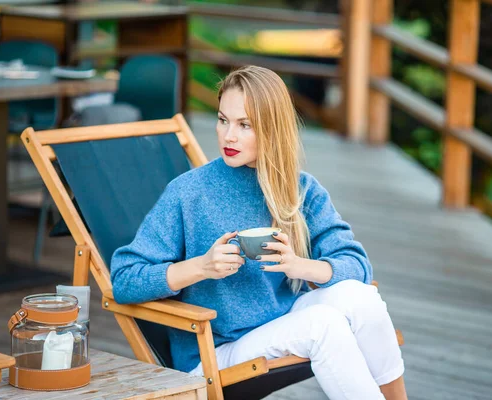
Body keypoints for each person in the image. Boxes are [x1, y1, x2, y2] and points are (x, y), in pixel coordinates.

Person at [110, 65, 407, 400]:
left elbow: (357, 265)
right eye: (223, 120)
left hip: (279, 324)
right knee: (324, 324)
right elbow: (124, 281)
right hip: (217, 350)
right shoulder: (189, 193)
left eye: (245, 125)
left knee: (362, 298)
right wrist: (201, 267)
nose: (228, 136)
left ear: (272, 128)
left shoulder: (300, 189)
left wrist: (300, 266)